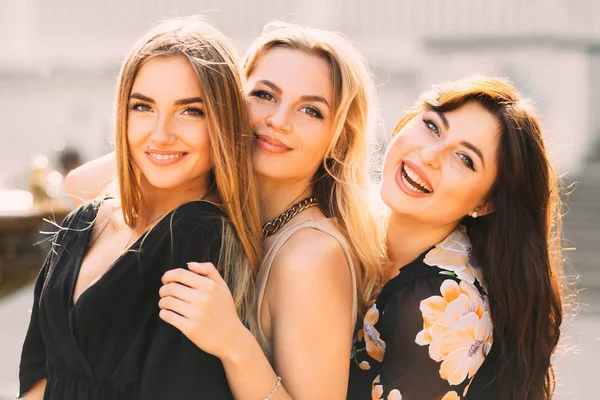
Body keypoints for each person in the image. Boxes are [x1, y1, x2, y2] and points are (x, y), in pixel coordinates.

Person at [64, 22, 383, 399]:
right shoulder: (230, 210)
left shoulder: (311, 255)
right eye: (264, 95)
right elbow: (80, 186)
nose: (278, 121)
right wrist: (177, 138)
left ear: (338, 138)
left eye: (310, 110)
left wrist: (234, 343)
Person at [19, 16, 261, 400]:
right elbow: (39, 371)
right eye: (143, 107)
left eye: (191, 110)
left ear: (223, 122)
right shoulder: (85, 221)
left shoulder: (198, 237)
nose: (161, 133)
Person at [348, 75, 564, 400]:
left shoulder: (440, 307)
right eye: (433, 126)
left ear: (485, 202)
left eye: (465, 159)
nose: (430, 155)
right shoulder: (352, 223)